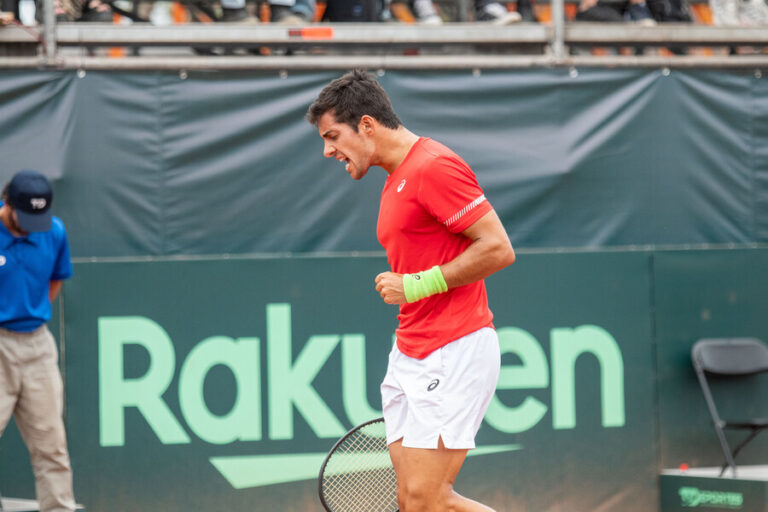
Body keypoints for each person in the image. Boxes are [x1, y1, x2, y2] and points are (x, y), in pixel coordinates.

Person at [307, 70, 515, 512]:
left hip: (454, 346)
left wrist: (418, 284)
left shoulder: (433, 166)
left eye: (332, 136)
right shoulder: (394, 178)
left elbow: (498, 248)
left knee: (426, 499)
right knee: (411, 501)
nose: (327, 151)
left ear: (366, 125)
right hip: (410, 354)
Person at [0, 170, 76, 512]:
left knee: (52, 447)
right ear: (8, 205)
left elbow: (54, 283)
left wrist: (29, 312)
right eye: (25, 216)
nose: (33, 224)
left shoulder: (54, 232)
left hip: (37, 347)